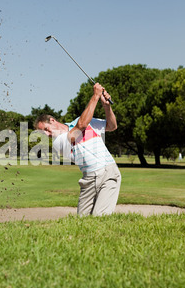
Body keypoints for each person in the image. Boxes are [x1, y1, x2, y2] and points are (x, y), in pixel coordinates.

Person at [34, 83, 121, 217]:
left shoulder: (85, 122)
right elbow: (81, 126)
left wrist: (106, 106)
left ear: (52, 120)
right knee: (82, 220)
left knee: (100, 217)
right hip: (89, 179)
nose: (46, 135)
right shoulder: (59, 143)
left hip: (108, 172)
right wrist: (96, 96)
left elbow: (112, 125)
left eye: (46, 129)